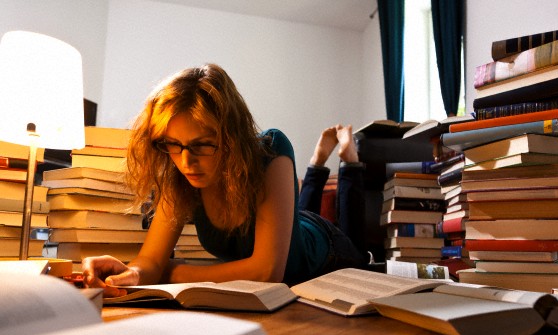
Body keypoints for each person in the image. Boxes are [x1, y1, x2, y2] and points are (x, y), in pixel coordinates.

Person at [82, 63, 367, 297]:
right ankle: (317, 163)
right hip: (292, 228)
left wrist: (174, 271)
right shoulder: (180, 170)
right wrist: (132, 273)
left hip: (327, 247)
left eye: (202, 144)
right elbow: (152, 260)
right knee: (296, 214)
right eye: (172, 144)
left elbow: (267, 272)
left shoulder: (269, 150)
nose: (185, 161)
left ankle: (347, 159)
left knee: (361, 247)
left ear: (231, 137)